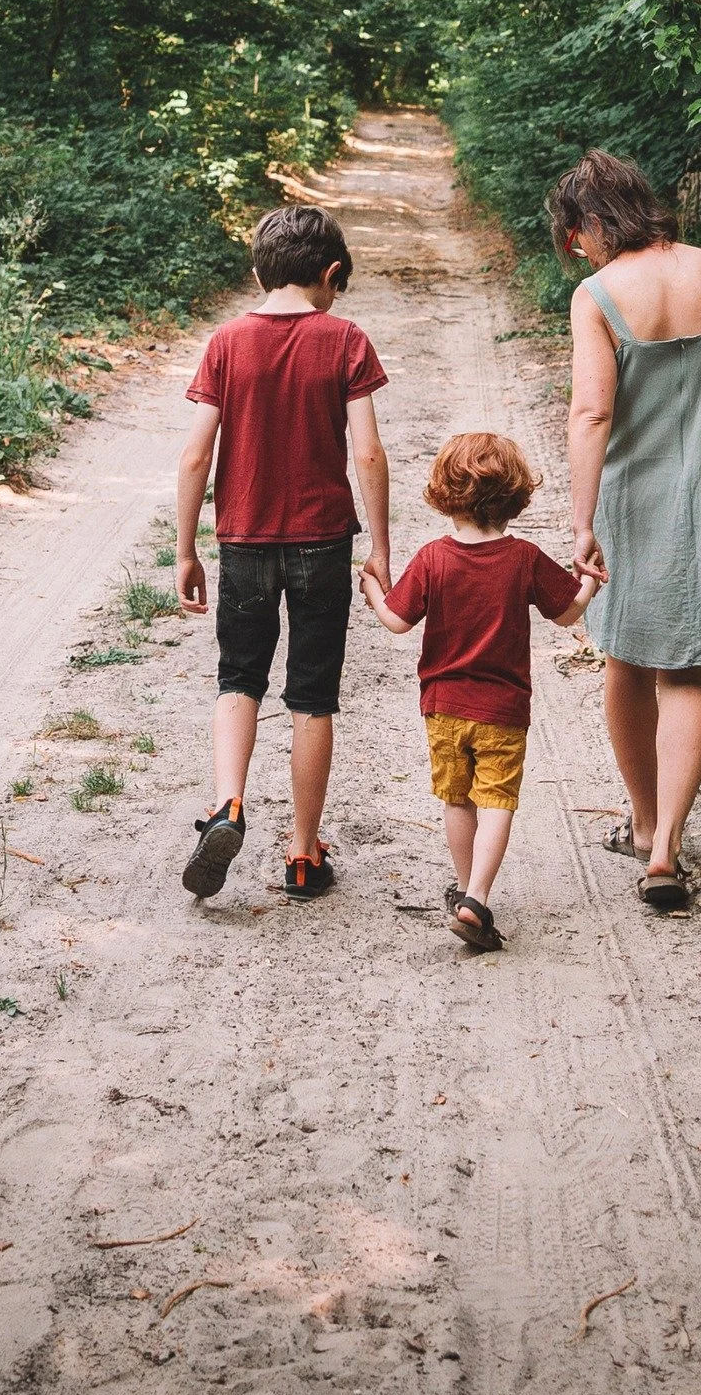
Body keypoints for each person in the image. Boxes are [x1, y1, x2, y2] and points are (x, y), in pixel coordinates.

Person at [554, 150, 701, 914]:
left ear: (591, 226)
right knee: (689, 672)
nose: (577, 252)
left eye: (574, 238)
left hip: (630, 497)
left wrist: (581, 520)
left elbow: (592, 412)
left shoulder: (597, 294)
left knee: (625, 658)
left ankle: (646, 821)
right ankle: (665, 851)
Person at [175, 202, 391, 901]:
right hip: (323, 541)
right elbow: (368, 452)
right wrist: (381, 549)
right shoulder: (346, 339)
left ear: (257, 271)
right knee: (312, 695)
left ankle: (229, 805)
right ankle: (302, 855)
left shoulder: (227, 342)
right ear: (330, 273)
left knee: (239, 678)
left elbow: (194, 455)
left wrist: (186, 549)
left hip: (242, 538)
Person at [360, 432, 598, 950]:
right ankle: (476, 899)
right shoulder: (524, 558)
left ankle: (467, 891)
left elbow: (397, 622)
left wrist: (374, 586)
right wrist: (589, 581)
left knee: (457, 800)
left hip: (443, 709)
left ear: (445, 495)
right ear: (515, 497)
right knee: (496, 802)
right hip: (503, 711)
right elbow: (567, 614)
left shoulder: (432, 558)